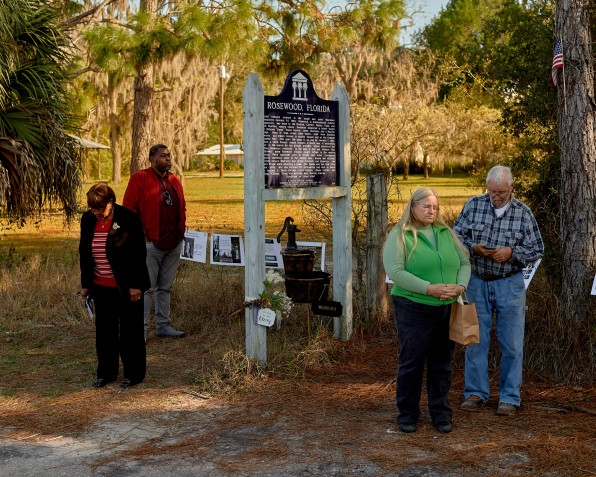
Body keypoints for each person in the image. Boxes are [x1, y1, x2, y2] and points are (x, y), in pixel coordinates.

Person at [453, 165, 544, 415]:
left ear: (512, 187)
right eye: (492, 191)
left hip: (510, 283)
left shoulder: (524, 214)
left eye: (501, 192)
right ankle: (475, 392)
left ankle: (509, 397)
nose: (496, 196)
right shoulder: (473, 205)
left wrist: (512, 253)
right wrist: (474, 248)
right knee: (473, 339)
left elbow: (537, 249)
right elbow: (455, 236)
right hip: (476, 281)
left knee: (512, 344)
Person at [383, 188, 470, 434]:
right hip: (413, 307)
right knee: (412, 362)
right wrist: (428, 288)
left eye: (435, 207)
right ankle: (408, 414)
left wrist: (460, 285)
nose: (432, 211)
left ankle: (441, 414)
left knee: (442, 363)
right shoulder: (400, 236)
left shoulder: (446, 233)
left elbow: (464, 262)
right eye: (426, 206)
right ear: (413, 207)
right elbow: (396, 272)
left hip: (446, 307)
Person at [79, 183, 151, 389]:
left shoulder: (128, 218)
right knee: (104, 332)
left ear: (111, 202)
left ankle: (134, 373)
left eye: (100, 209)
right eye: (93, 209)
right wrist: (86, 284)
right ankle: (106, 373)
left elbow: (139, 254)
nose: (97, 213)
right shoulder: (88, 219)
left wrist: (136, 285)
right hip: (100, 285)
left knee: (131, 332)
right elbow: (85, 253)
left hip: (128, 287)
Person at [123, 144, 187, 339]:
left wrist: (181, 233)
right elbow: (129, 210)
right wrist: (142, 235)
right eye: (163, 156)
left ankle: (163, 325)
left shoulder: (174, 180)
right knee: (146, 288)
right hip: (150, 243)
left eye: (169, 156)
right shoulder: (140, 178)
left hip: (173, 243)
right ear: (151, 158)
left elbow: (181, 208)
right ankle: (140, 330)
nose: (168, 159)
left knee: (165, 287)